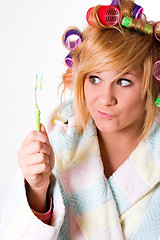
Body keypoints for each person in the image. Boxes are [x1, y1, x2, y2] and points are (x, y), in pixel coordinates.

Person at [1, 0, 160, 239]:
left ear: (151, 86)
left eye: (123, 81)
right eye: (94, 79)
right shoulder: (54, 141)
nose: (105, 98)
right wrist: (38, 189)